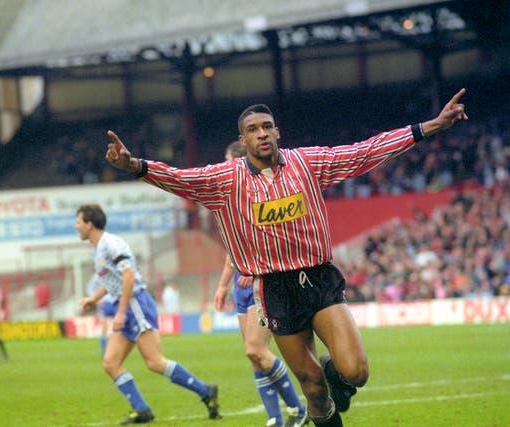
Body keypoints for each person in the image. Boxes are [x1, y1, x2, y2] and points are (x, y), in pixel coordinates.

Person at [104, 89, 468, 427]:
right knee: (312, 388)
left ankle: (335, 375)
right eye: (252, 129)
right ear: (243, 140)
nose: (261, 134)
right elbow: (178, 177)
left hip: (319, 279)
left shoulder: (306, 163)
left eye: (267, 126)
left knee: (355, 372)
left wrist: (429, 127)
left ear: (277, 131)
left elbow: (363, 152)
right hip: (274, 289)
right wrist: (134, 165)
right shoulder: (223, 181)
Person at [76, 204, 221, 424]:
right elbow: (113, 280)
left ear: (89, 224)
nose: (76, 226)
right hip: (125, 305)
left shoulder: (111, 244)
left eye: (78, 222)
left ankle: (205, 391)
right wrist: (93, 299)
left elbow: (129, 277)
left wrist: (122, 312)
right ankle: (142, 409)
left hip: (136, 304)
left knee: (154, 362)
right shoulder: (99, 249)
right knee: (110, 363)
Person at [213, 141, 307, 427]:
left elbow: (273, 238)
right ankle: (274, 419)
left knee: (256, 349)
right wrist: (222, 286)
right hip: (241, 288)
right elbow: (233, 251)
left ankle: (297, 408)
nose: (226, 167)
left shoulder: (259, 196)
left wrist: (254, 270)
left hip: (262, 283)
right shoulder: (234, 200)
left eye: (229, 161)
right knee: (254, 357)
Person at [86, 273, 116, 355]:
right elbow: (89, 288)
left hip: (116, 302)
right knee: (104, 326)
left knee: (120, 325)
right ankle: (104, 349)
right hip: (104, 303)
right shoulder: (97, 276)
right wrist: (96, 300)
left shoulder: (114, 273)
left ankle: (118, 347)